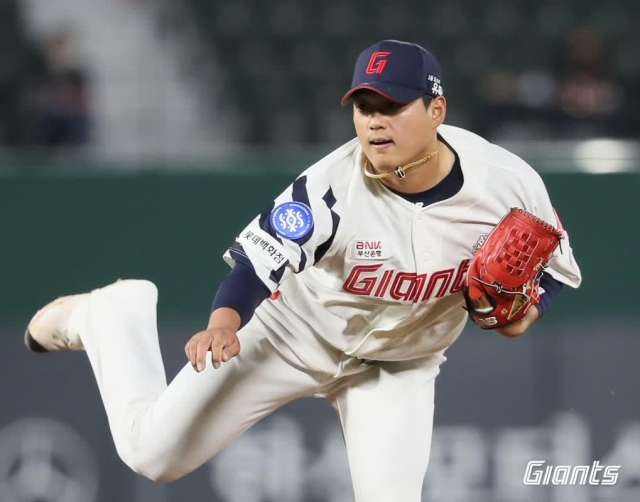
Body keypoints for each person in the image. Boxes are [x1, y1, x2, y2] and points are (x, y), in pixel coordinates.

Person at [24, 40, 581, 501]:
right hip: (292, 335)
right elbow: (253, 267)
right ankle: (111, 316)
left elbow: (553, 268)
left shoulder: (507, 182)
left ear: (437, 111)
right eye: (365, 108)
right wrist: (223, 323)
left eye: (392, 107)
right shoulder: (331, 187)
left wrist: (527, 312)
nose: (375, 123)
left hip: (398, 367)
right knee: (152, 455)